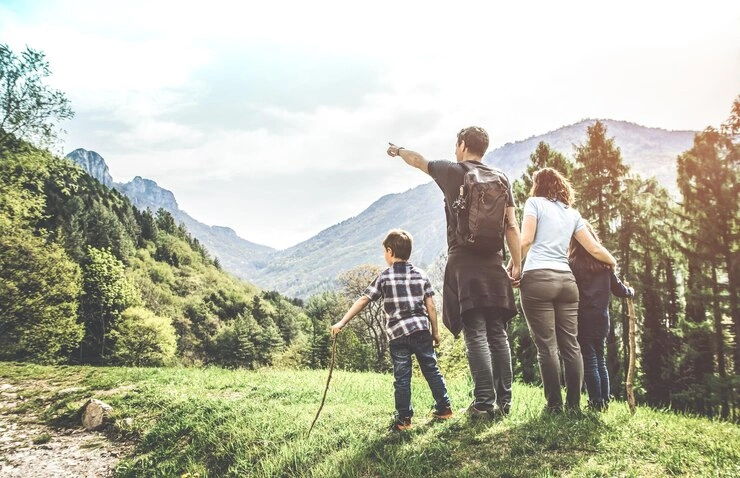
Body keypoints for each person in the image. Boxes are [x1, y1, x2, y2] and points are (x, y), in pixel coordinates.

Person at [386, 126, 521, 419]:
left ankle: (484, 403)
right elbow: (511, 225)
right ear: (483, 148)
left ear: (461, 145)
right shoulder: (501, 178)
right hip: (495, 263)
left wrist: (398, 151)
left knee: (476, 333)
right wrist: (516, 262)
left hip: (464, 263)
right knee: (498, 334)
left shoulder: (452, 171)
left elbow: (419, 161)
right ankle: (504, 404)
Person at [331, 229, 452, 431]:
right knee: (431, 369)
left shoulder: (384, 277)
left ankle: (404, 420)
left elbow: (364, 300)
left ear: (389, 251)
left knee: (402, 377)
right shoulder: (421, 275)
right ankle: (445, 409)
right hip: (421, 330)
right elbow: (430, 306)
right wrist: (435, 332)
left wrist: (341, 322)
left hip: (398, 334)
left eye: (384, 252)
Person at [518, 167, 617, 413]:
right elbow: (594, 249)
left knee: (547, 346)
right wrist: (612, 261)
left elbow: (526, 240)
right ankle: (574, 405)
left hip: (538, 278)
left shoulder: (534, 204)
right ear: (561, 186)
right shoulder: (572, 214)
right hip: (566, 282)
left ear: (537, 185)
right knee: (571, 345)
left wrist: (514, 265)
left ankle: (554, 405)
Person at [568, 222, 634, 412]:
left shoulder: (572, 265)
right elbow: (619, 290)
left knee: (589, 361)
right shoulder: (605, 265)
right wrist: (630, 292)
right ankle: (604, 401)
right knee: (600, 359)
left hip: (584, 319)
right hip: (602, 319)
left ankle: (596, 402)